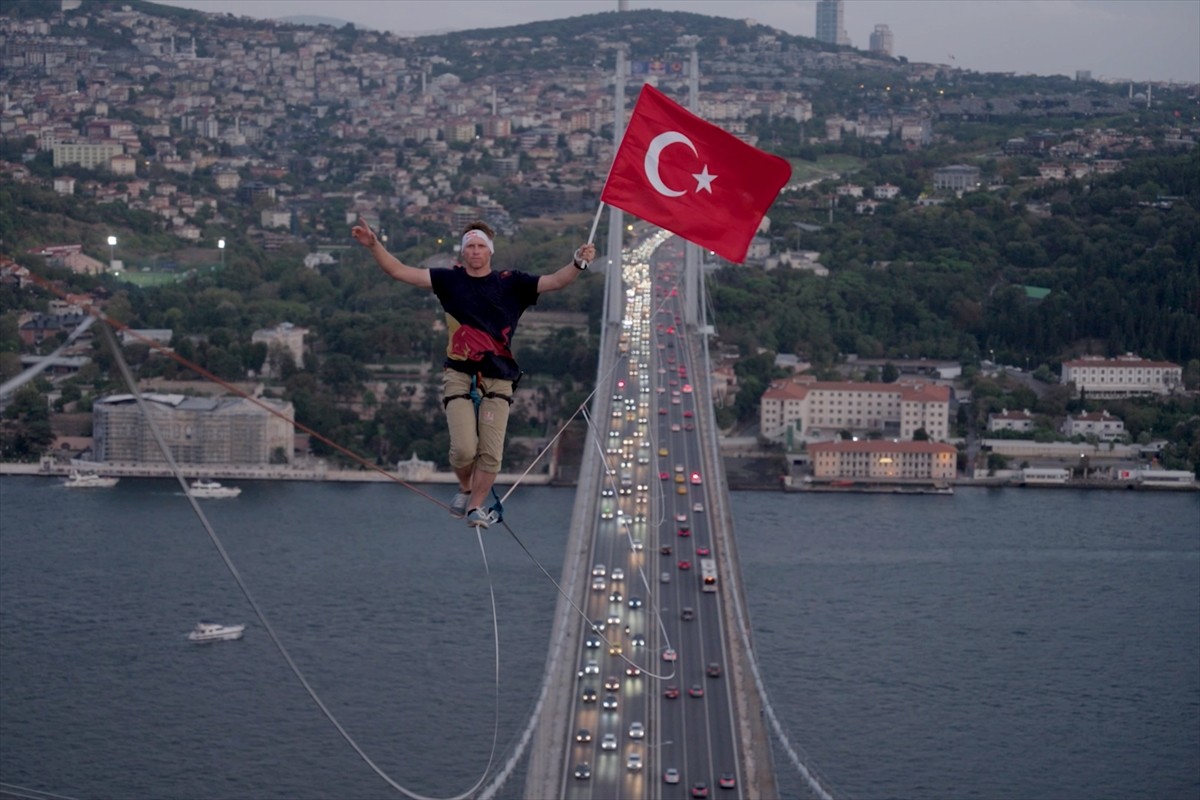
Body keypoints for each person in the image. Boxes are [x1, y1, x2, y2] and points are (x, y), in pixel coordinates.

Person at [352, 217, 596, 528]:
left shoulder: (511, 283)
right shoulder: (449, 280)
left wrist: (577, 262)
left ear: (490, 251)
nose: (476, 251)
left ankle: (474, 507)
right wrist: (374, 245)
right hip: (459, 372)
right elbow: (400, 272)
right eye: (470, 246)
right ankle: (466, 488)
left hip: (498, 376)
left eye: (481, 246)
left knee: (491, 453)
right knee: (464, 448)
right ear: (463, 252)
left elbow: (555, 281)